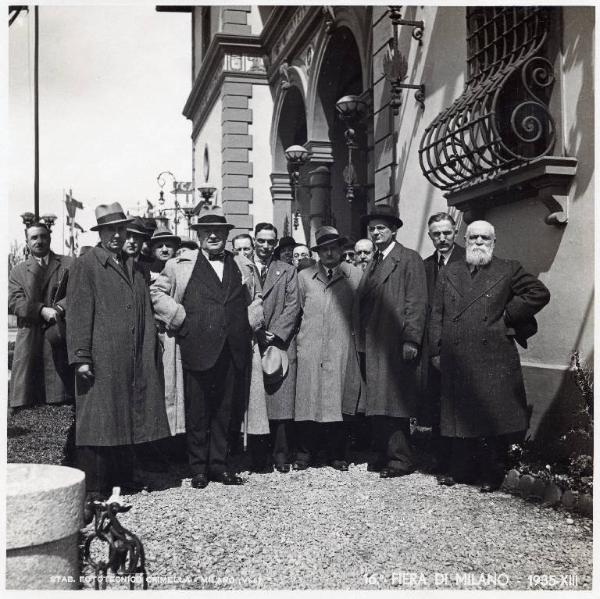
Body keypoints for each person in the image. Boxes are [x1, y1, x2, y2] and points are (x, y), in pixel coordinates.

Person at [429, 220, 550, 492]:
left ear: (494, 242)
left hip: (492, 355)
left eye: (484, 237)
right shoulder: (450, 271)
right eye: (473, 237)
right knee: (457, 415)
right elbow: (437, 313)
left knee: (489, 416)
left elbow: (539, 293)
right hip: (455, 353)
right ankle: (458, 470)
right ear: (466, 239)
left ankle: (490, 474)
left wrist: (508, 314)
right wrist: (435, 350)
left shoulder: (508, 268)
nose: (478, 242)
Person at [66, 202, 170, 507]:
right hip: (101, 355)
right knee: (98, 418)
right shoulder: (86, 265)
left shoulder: (136, 267)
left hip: (132, 356)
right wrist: (81, 356)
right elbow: (78, 312)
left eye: (119, 229)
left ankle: (123, 479)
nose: (115, 235)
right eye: (109, 230)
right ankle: (95, 487)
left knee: (126, 416)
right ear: (100, 233)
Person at [150, 211, 253, 488]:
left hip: (232, 349)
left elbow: (255, 298)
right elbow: (156, 293)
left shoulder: (242, 264)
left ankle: (219, 466)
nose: (213, 235)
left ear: (227, 234)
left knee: (225, 409)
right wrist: (179, 318)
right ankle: (198, 469)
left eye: (219, 231)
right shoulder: (179, 265)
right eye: (207, 231)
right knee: (198, 411)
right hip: (196, 347)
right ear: (199, 235)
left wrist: (249, 322)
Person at [343, 205, 427, 479]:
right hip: (370, 340)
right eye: (372, 228)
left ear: (394, 230)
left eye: (381, 228)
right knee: (376, 400)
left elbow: (416, 302)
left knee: (393, 401)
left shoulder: (408, 259)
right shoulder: (374, 260)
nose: (376, 232)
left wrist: (411, 339)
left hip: (393, 340)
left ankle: (401, 458)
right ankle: (384, 452)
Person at [294, 227, 362, 471]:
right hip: (311, 347)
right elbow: (298, 309)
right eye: (324, 249)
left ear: (342, 250)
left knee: (337, 403)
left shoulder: (355, 275)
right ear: (318, 252)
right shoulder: (304, 277)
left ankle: (337, 455)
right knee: (307, 401)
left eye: (334, 248)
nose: (330, 253)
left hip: (340, 347)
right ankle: (305, 454)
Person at [250, 223, 300, 473]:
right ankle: (257, 457)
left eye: (271, 242)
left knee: (280, 400)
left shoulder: (287, 271)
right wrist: (254, 331)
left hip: (278, 343)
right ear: (254, 241)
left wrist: (275, 333)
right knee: (255, 401)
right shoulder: (243, 268)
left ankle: (281, 455)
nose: (266, 246)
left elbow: (293, 305)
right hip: (250, 341)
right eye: (261, 241)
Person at [9, 222, 74, 409]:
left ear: (50, 238)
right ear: (27, 242)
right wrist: (40, 310)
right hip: (30, 334)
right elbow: (14, 301)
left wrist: (60, 308)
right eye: (34, 237)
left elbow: (78, 293)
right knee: (27, 399)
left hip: (58, 332)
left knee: (60, 397)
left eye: (43, 236)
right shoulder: (18, 270)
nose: (39, 241)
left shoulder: (68, 264)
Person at [421, 212, 465, 474]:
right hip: (436, 346)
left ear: (455, 233)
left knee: (462, 405)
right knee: (439, 403)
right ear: (430, 237)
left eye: (446, 233)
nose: (442, 238)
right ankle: (442, 460)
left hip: (464, 344)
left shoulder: (470, 260)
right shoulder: (426, 266)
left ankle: (461, 462)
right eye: (436, 234)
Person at [124, 216, 153, 283]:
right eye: (127, 236)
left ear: (143, 240)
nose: (131, 241)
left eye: (136, 236)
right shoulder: (114, 263)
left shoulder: (153, 265)